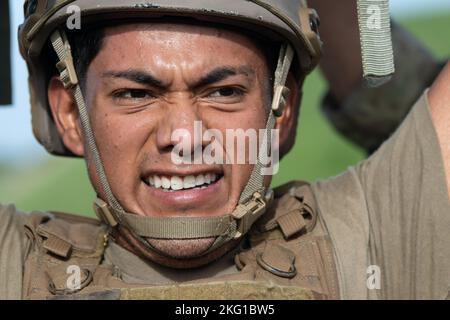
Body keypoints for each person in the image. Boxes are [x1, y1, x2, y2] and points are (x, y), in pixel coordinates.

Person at [1, 0, 449, 300]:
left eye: (224, 91)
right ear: (69, 115)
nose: (184, 136)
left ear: (281, 112)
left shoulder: (373, 234)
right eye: (136, 94)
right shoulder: (14, 268)